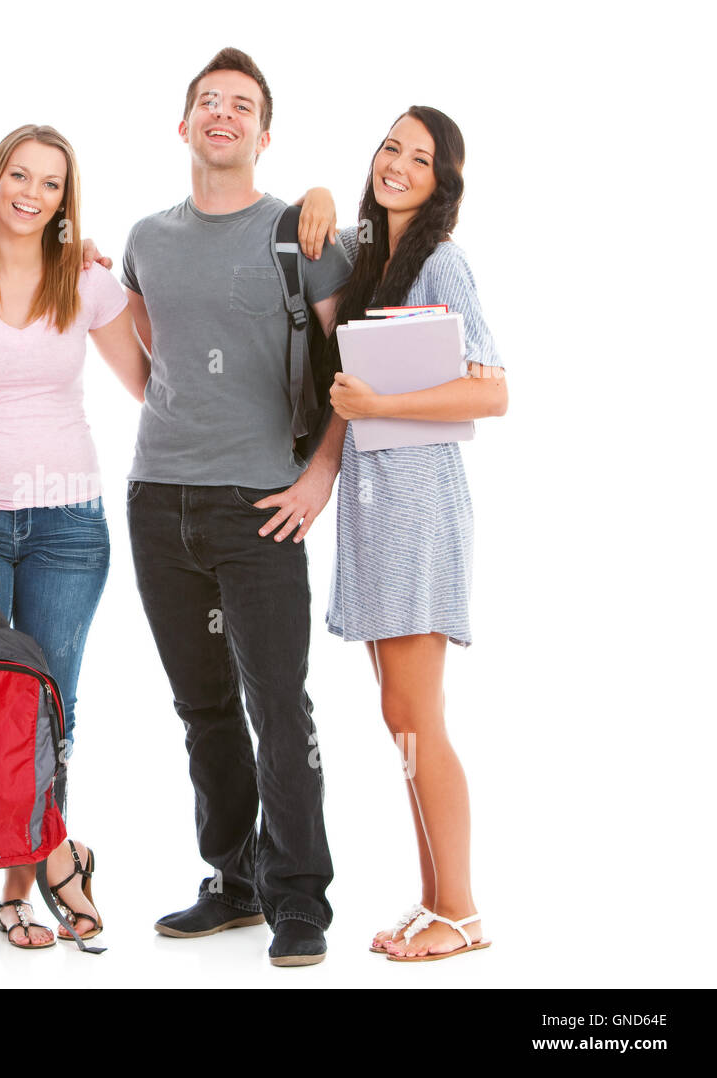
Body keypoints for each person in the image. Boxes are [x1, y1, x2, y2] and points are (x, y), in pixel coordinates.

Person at [120, 47, 349, 967]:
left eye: (241, 105)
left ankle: (300, 901)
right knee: (201, 706)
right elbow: (144, 353)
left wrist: (319, 473)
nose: (222, 114)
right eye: (206, 102)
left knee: (278, 709)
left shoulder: (302, 235)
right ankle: (234, 880)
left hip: (262, 507)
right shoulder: (146, 238)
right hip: (156, 500)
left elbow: (350, 372)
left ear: (263, 133)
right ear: (183, 126)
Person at [0, 124, 150, 948]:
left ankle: (21, 887)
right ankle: (61, 859)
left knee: (52, 707)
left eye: (51, 184)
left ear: (64, 200)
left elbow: (151, 380)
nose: (32, 193)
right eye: (20, 175)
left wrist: (132, 278)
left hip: (69, 525)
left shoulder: (81, 283)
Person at [324, 106, 506, 961]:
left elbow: (492, 391)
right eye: (391, 146)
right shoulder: (377, 262)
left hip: (418, 505)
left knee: (416, 715)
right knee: (399, 713)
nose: (397, 163)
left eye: (420, 157)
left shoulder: (441, 262)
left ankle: (462, 911)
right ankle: (435, 900)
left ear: (443, 182)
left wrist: (380, 406)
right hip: (373, 504)